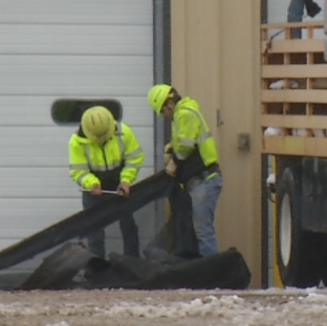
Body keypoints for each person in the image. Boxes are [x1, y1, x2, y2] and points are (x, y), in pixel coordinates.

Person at [147, 84, 222, 256]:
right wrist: (171, 149)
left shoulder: (184, 114)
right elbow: (183, 143)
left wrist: (173, 161)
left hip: (203, 180)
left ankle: (211, 275)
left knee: (203, 232)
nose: (164, 116)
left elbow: (186, 146)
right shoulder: (184, 113)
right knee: (200, 231)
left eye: (162, 111)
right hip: (199, 181)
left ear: (169, 104)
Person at [68, 106, 144, 258]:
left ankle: (133, 263)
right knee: (93, 230)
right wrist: (91, 184)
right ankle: (97, 269)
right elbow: (78, 171)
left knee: (128, 226)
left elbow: (134, 159)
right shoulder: (77, 142)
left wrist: (126, 180)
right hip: (93, 190)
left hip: (119, 184)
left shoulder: (124, 133)